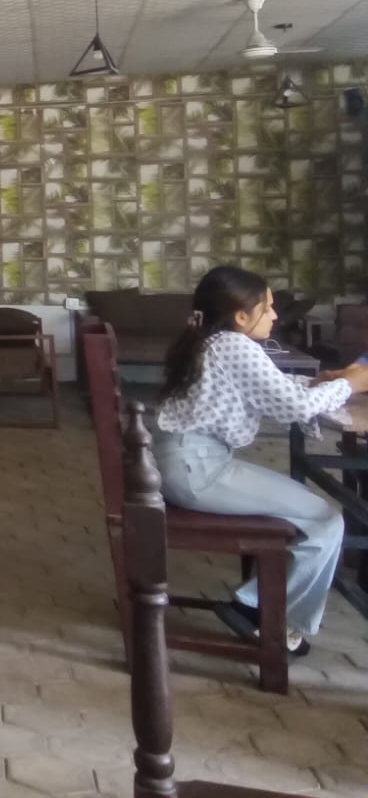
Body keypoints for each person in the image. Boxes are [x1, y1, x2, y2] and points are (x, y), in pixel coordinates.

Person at [155, 265, 368, 654]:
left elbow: (273, 388)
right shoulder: (232, 346)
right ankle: (261, 612)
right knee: (325, 520)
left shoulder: (213, 342)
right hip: (198, 471)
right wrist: (349, 383)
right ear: (241, 316)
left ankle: (256, 606)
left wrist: (320, 382)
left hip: (188, 462)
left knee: (315, 515)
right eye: (267, 307)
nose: (274, 315)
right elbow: (295, 406)